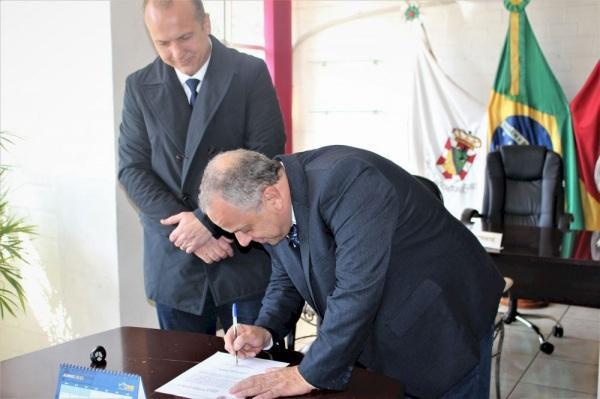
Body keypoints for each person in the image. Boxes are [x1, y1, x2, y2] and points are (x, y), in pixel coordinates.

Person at [199, 146, 505, 398]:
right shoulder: (273, 207)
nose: (243, 241)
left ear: (272, 197)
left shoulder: (348, 182)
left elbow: (357, 291)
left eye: (244, 229)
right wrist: (266, 330)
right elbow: (287, 276)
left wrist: (306, 374)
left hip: (439, 317)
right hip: (377, 330)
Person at [118, 0, 285, 334]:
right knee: (180, 379)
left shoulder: (249, 73)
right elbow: (132, 169)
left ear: (206, 24)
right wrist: (191, 234)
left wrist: (209, 222)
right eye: (163, 43)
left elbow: (265, 157)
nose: (177, 53)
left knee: (256, 372)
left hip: (242, 251)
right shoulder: (139, 86)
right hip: (176, 260)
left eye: (185, 37)